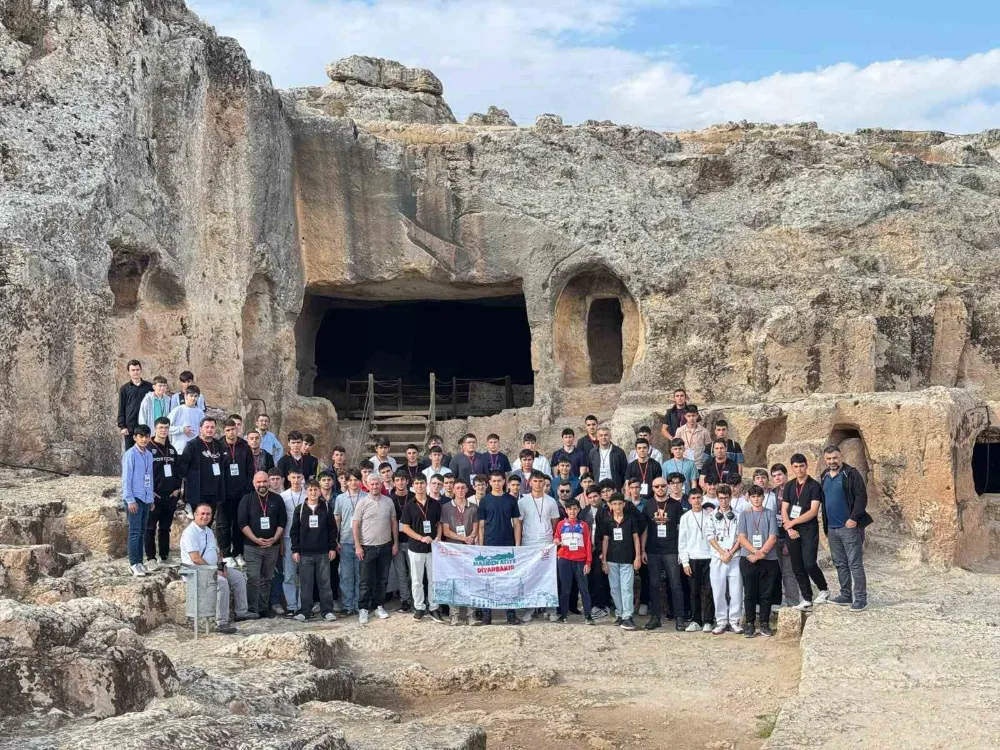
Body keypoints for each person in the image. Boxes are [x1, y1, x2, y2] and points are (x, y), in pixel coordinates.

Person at [180, 502, 258, 634]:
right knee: (221, 582)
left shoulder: (208, 531)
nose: (205, 517)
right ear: (195, 515)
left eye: (208, 514)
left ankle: (241, 612)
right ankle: (221, 622)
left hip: (211, 568)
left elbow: (217, 552)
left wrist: (222, 567)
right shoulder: (190, 533)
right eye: (202, 514)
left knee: (238, 576)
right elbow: (195, 558)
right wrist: (215, 570)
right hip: (195, 570)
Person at [819, 445, 871, 611]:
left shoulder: (851, 474)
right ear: (825, 459)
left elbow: (861, 497)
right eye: (828, 459)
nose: (832, 461)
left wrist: (854, 518)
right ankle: (846, 595)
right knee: (840, 563)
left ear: (840, 456)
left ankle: (861, 599)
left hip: (849, 527)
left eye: (835, 458)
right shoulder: (824, 476)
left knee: (855, 563)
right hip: (832, 528)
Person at [782, 454, 829, 611]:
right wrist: (789, 528)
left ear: (806, 465)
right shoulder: (789, 486)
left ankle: (824, 589)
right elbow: (784, 508)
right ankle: (807, 598)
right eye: (796, 466)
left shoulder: (814, 486)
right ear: (792, 468)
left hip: (808, 529)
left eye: (801, 466)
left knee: (809, 563)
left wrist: (792, 523)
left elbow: (813, 511)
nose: (799, 469)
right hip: (791, 531)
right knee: (797, 566)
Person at [476, 470, 522, 626]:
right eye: (494, 481)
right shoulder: (485, 501)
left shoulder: (511, 500)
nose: (496, 483)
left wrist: (517, 544)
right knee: (488, 580)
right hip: (489, 545)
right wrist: (481, 546)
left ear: (504, 482)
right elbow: (481, 526)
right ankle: (487, 615)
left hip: (507, 545)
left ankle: (511, 615)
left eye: (499, 480)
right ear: (490, 483)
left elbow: (516, 523)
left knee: (509, 580)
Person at [238, 471, 287, 617]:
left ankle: (263, 608)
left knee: (267, 578)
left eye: (264, 481)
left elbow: (282, 521)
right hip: (252, 546)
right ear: (254, 483)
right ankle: (252, 609)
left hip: (272, 546)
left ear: (269, 482)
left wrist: (275, 538)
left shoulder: (277, 499)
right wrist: (255, 539)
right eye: (259, 482)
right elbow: (242, 523)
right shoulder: (246, 499)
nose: (262, 484)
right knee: (253, 578)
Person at [641, 476, 685, 630]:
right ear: (652, 488)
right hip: (653, 550)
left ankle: (679, 617)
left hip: (671, 550)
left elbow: (681, 530)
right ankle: (655, 617)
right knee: (653, 584)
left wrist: (681, 550)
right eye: (657, 486)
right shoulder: (648, 505)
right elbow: (645, 529)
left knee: (675, 584)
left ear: (667, 487)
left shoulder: (675, 505)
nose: (660, 489)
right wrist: (642, 550)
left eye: (663, 486)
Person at [353, 477, 398, 625]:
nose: (374, 486)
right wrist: (358, 546)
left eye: (377, 483)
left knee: (382, 579)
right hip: (367, 548)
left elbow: (393, 523)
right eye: (372, 484)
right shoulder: (362, 503)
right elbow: (356, 525)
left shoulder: (388, 501)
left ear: (381, 484)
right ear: (367, 485)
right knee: (365, 581)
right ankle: (363, 609)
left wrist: (395, 543)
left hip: (385, 546)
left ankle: (379, 606)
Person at [291, 480, 338, 622]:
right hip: (305, 554)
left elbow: (332, 529)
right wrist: (295, 550)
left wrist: (332, 547)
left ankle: (327, 611)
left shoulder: (326, 507)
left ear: (319, 491)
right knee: (306, 584)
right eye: (310, 490)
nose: (313, 492)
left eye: (315, 489)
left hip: (323, 552)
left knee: (325, 583)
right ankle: (305, 612)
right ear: (306, 491)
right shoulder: (299, 509)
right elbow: (294, 532)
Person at [518, 470, 562, 622]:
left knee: (549, 577)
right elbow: (519, 524)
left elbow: (555, 523)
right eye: (535, 481)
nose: (538, 484)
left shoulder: (551, 501)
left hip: (546, 543)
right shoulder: (522, 502)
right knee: (530, 576)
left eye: (540, 481)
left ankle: (551, 609)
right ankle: (529, 609)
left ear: (545, 483)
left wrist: (549, 538)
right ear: (530, 483)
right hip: (529, 543)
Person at [400, 475, 444, 623]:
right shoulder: (409, 505)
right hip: (416, 548)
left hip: (432, 548)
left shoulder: (435, 504)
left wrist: (438, 537)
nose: (419, 486)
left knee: (433, 580)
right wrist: (420, 538)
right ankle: (419, 607)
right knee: (417, 580)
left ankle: (433, 607)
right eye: (417, 483)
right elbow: (405, 528)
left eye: (422, 483)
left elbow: (439, 523)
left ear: (427, 484)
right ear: (413, 486)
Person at [737, 485, 779, 638]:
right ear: (749, 498)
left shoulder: (770, 513)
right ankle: (750, 623)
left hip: (768, 559)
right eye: (753, 496)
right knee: (749, 593)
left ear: (763, 497)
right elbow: (741, 537)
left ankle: (764, 623)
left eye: (758, 496)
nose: (756, 499)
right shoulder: (744, 515)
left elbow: (773, 537)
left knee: (766, 594)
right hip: (748, 558)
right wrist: (755, 552)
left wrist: (762, 553)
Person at [600, 492, 641, 631]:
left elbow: (636, 538)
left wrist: (637, 557)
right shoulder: (607, 520)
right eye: (614, 504)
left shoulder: (630, 519)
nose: (617, 507)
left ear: (624, 504)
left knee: (626, 588)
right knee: (615, 589)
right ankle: (620, 613)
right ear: (610, 506)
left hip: (627, 559)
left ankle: (628, 616)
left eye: (619, 504)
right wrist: (604, 561)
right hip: (612, 560)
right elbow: (605, 540)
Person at [705, 485, 742, 635]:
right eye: (721, 498)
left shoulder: (738, 515)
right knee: (718, 591)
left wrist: (730, 553)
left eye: (726, 498)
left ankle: (734, 621)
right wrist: (722, 553)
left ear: (730, 497)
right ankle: (721, 622)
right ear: (717, 498)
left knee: (736, 591)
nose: (724, 501)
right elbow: (710, 537)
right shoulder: (711, 516)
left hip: (734, 557)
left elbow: (741, 537)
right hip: (717, 558)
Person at [678, 486, 714, 633]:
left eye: (699, 498)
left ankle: (708, 621)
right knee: (694, 591)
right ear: (689, 500)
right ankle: (696, 620)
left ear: (702, 498)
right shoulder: (685, 517)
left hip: (709, 558)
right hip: (693, 558)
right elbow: (682, 541)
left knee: (709, 590)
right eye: (693, 498)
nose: (697, 500)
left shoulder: (710, 515)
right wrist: (685, 562)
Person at [146, 417, 180, 569]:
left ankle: (164, 557)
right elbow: (144, 472)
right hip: (154, 495)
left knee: (165, 528)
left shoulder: (171, 449)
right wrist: (149, 491)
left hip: (170, 495)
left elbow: (177, 471)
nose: (164, 430)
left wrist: (177, 489)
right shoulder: (148, 448)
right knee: (150, 528)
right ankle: (151, 558)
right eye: (161, 427)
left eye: (166, 427)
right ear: (155, 428)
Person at [553, 499, 594, 624]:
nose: (572, 511)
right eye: (570, 509)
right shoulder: (561, 524)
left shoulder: (583, 525)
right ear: (566, 510)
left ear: (578, 510)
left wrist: (588, 562)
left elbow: (588, 544)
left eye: (575, 508)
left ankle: (588, 616)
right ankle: (563, 615)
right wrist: (556, 541)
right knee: (565, 589)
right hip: (564, 559)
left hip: (580, 560)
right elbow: (556, 537)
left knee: (583, 589)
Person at [220, 419, 254, 568]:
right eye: (228, 430)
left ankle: (238, 553)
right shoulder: (218, 446)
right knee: (224, 525)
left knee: (239, 524)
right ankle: (226, 554)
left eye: (233, 429)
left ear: (237, 429)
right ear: (224, 431)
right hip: (224, 493)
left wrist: (247, 489)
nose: (231, 432)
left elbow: (250, 470)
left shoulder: (245, 446)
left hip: (241, 493)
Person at [122, 424, 154, 577]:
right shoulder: (130, 455)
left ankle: (140, 562)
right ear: (135, 437)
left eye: (146, 437)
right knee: (135, 532)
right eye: (141, 436)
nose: (144, 439)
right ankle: (133, 563)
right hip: (134, 498)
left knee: (142, 531)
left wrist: (151, 498)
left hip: (146, 498)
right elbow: (126, 479)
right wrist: (130, 500)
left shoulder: (149, 455)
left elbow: (150, 477)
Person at [334, 469, 366, 616]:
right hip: (345, 541)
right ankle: (347, 606)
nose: (353, 483)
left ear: (360, 481)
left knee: (360, 575)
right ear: (346, 482)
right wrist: (336, 539)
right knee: (346, 575)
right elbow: (337, 519)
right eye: (350, 480)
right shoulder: (340, 498)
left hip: (363, 541)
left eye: (356, 480)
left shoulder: (366, 497)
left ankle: (359, 604)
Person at [769, 464, 799, 607]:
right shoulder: (772, 493)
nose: (777, 478)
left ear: (786, 474)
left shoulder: (794, 490)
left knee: (788, 572)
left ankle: (793, 603)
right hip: (775, 536)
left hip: (789, 536)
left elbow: (796, 516)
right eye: (774, 476)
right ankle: (777, 602)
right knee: (776, 571)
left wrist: (789, 541)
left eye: (780, 474)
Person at [579, 487, 611, 618]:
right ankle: (592, 604)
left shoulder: (607, 510)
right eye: (590, 497)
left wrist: (605, 552)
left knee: (600, 579)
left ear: (600, 496)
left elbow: (609, 533)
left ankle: (602, 606)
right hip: (587, 550)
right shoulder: (584, 512)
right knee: (589, 578)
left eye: (595, 496)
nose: (593, 499)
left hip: (601, 550)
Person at [280, 469, 307, 615]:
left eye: (298, 477)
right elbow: (280, 520)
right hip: (288, 538)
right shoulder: (283, 496)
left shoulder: (308, 494)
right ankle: (291, 605)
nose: (296, 480)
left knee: (304, 574)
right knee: (289, 574)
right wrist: (281, 541)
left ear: (302, 478)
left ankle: (303, 605)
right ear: (289, 478)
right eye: (293, 477)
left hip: (306, 538)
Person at [387, 471, 414, 613]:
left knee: (414, 573)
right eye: (397, 480)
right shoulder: (389, 500)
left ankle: (416, 599)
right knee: (401, 573)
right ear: (393, 482)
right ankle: (405, 600)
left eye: (403, 479)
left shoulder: (414, 497)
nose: (400, 482)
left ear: (407, 481)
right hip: (396, 541)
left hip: (412, 541)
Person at [118, 360, 153, 451]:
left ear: (141, 370)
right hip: (130, 426)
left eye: (137, 369)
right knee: (130, 451)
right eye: (133, 370)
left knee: (147, 450)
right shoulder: (124, 389)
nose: (135, 372)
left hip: (146, 424)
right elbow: (121, 407)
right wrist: (122, 426)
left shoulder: (149, 387)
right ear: (128, 372)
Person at [167, 386, 205, 456]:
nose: (193, 398)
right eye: (191, 396)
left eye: (195, 396)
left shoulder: (200, 413)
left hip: (195, 451)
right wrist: (181, 429)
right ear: (186, 396)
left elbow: (203, 431)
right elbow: (166, 428)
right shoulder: (177, 410)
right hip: (179, 450)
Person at [625, 438, 662, 503]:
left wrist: (655, 502)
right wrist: (628, 502)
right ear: (636, 450)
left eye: (644, 448)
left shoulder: (656, 465)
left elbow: (658, 485)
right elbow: (627, 485)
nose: (642, 450)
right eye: (639, 448)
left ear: (648, 449)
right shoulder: (631, 466)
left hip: (651, 500)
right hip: (635, 501)